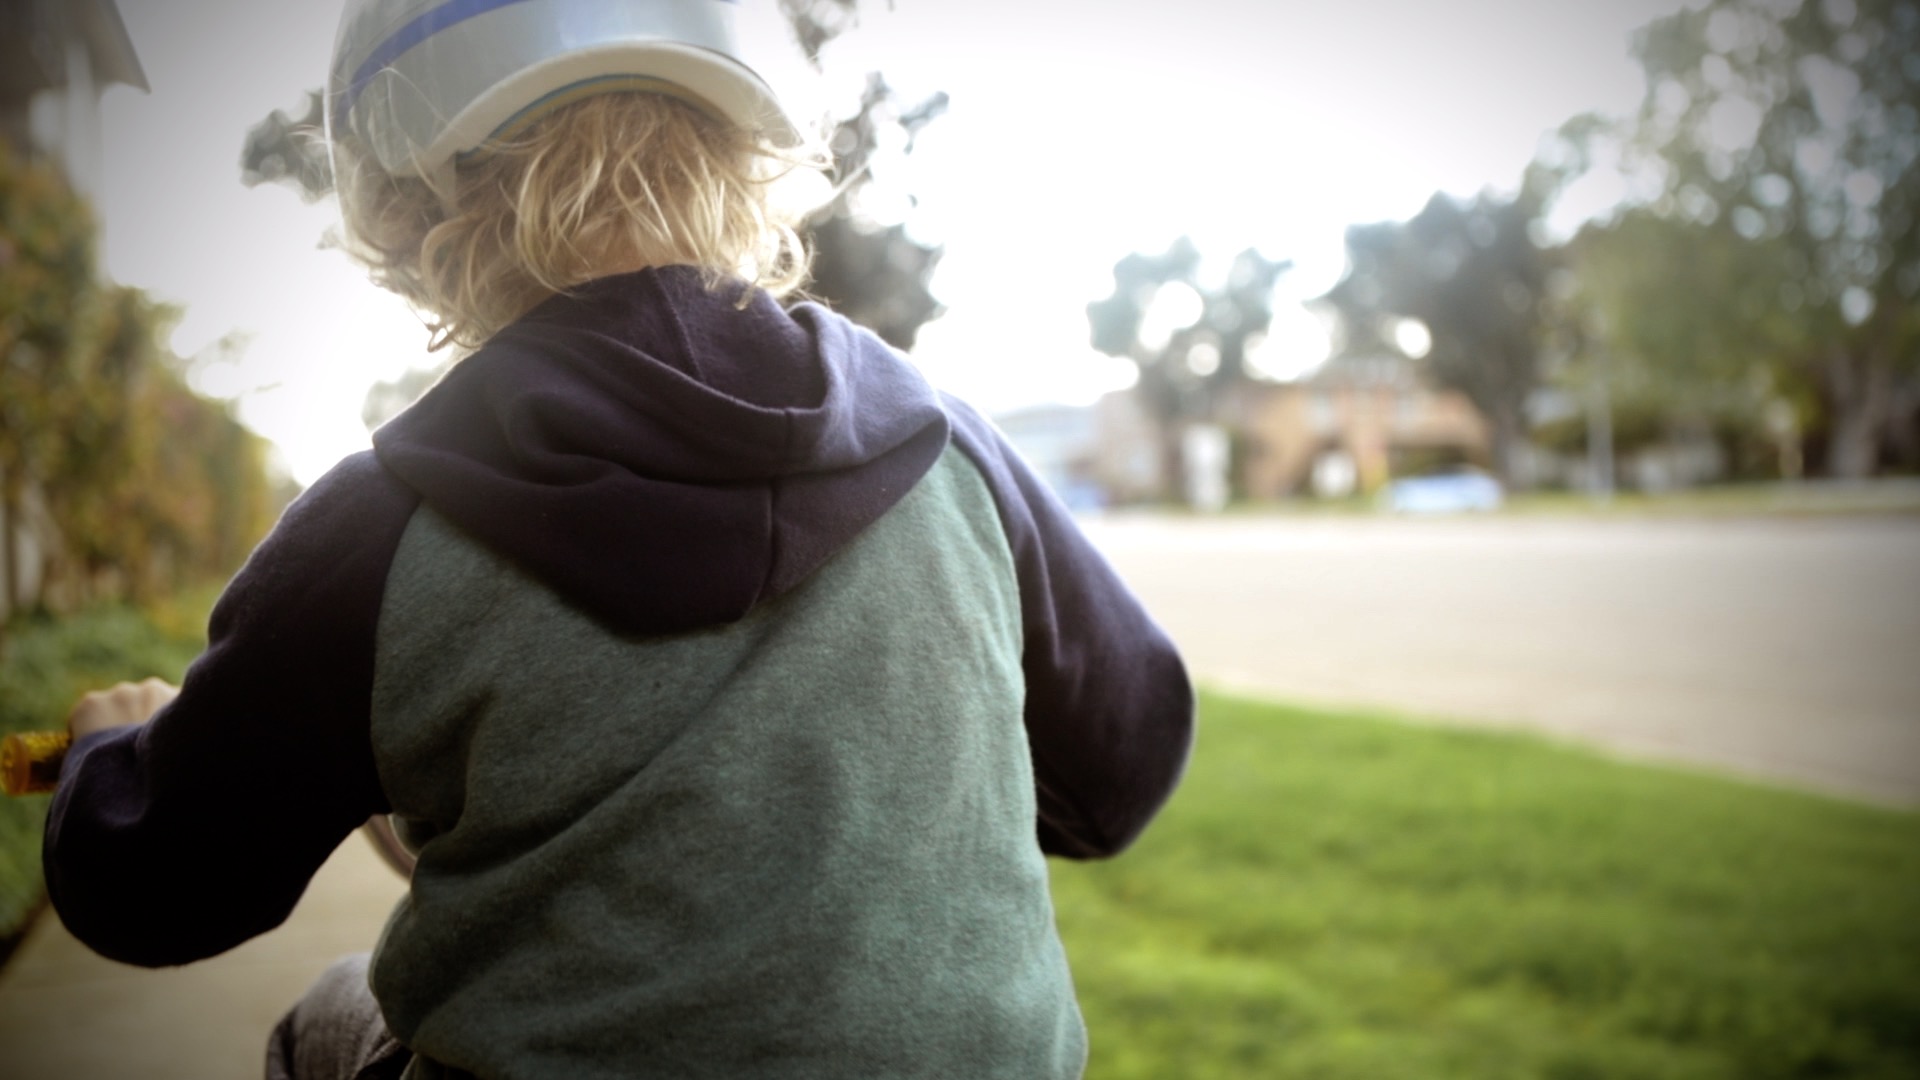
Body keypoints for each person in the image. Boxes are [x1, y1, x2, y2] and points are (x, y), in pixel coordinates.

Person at [44, 2, 1194, 1077]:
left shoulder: (379, 529)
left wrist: (110, 761)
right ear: (754, 151)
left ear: (399, 206)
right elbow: (1118, 776)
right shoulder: (950, 451)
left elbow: (157, 895)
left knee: (326, 1018)